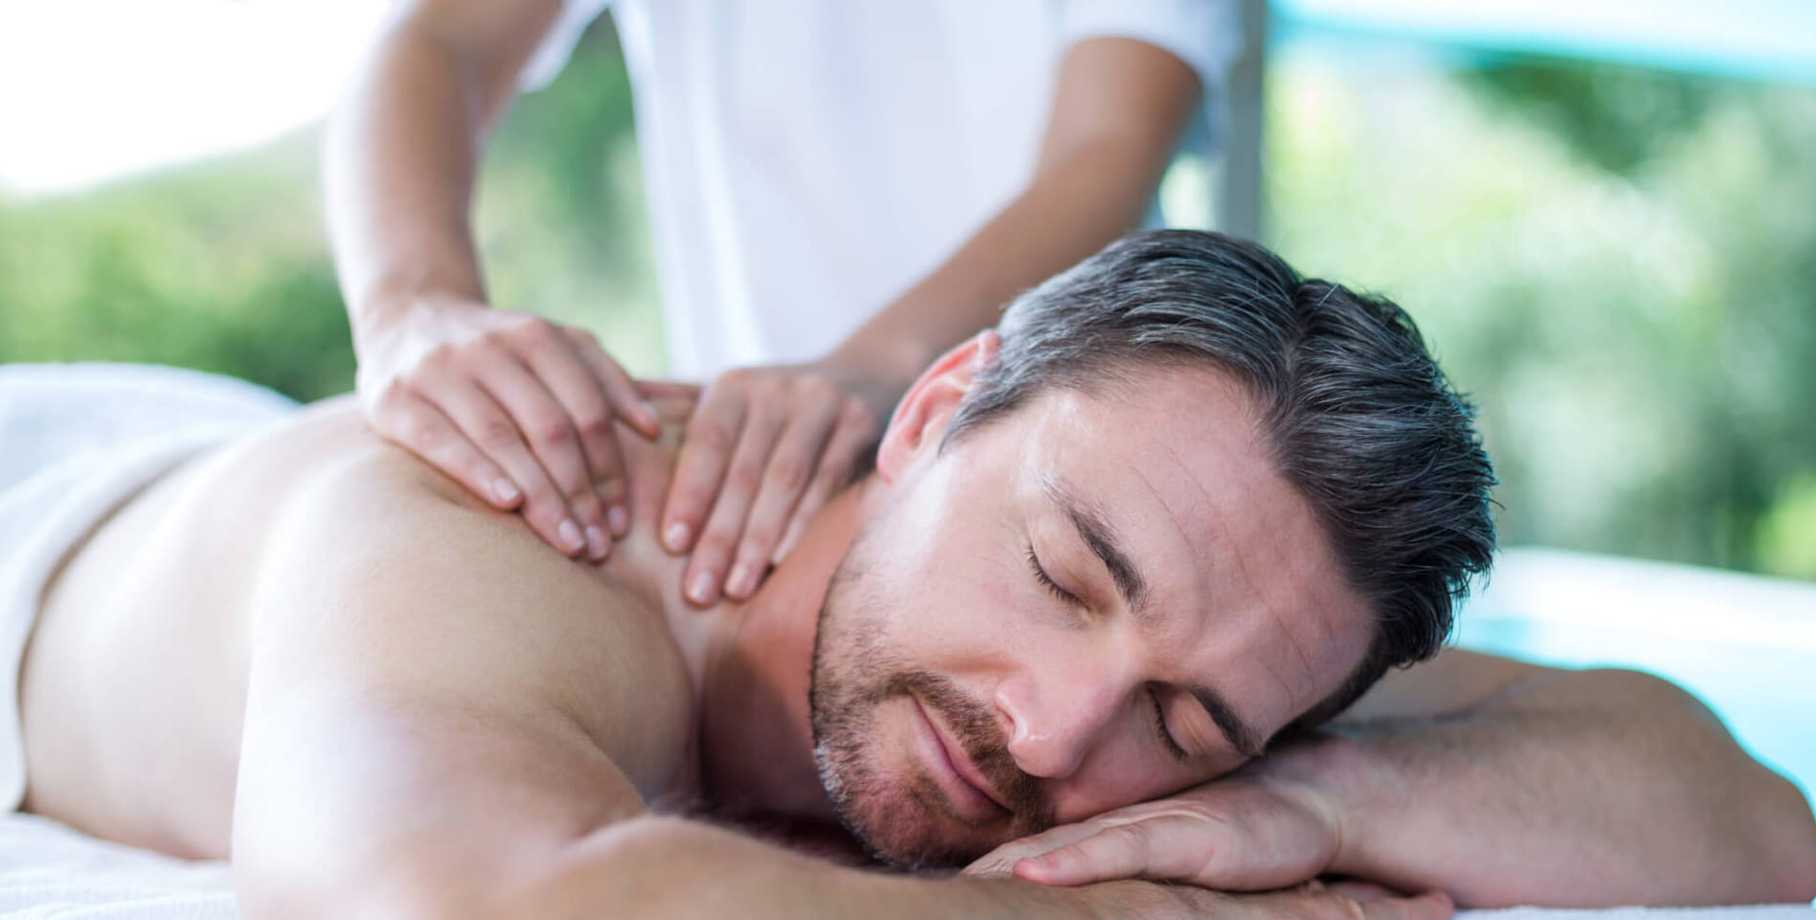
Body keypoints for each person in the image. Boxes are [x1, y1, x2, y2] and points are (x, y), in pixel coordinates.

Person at [5, 233, 1816, 920]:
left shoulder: (1203, 635)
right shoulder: (496, 548)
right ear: (937, 406)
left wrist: (1303, 794)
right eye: (1060, 572)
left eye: (1185, 723)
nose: (1050, 729)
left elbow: (1745, 816)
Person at [328, 0, 1236, 608]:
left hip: (1045, 455)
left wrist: (886, 367)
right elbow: (438, 40)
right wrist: (412, 307)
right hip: (754, 469)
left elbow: (1108, 144)